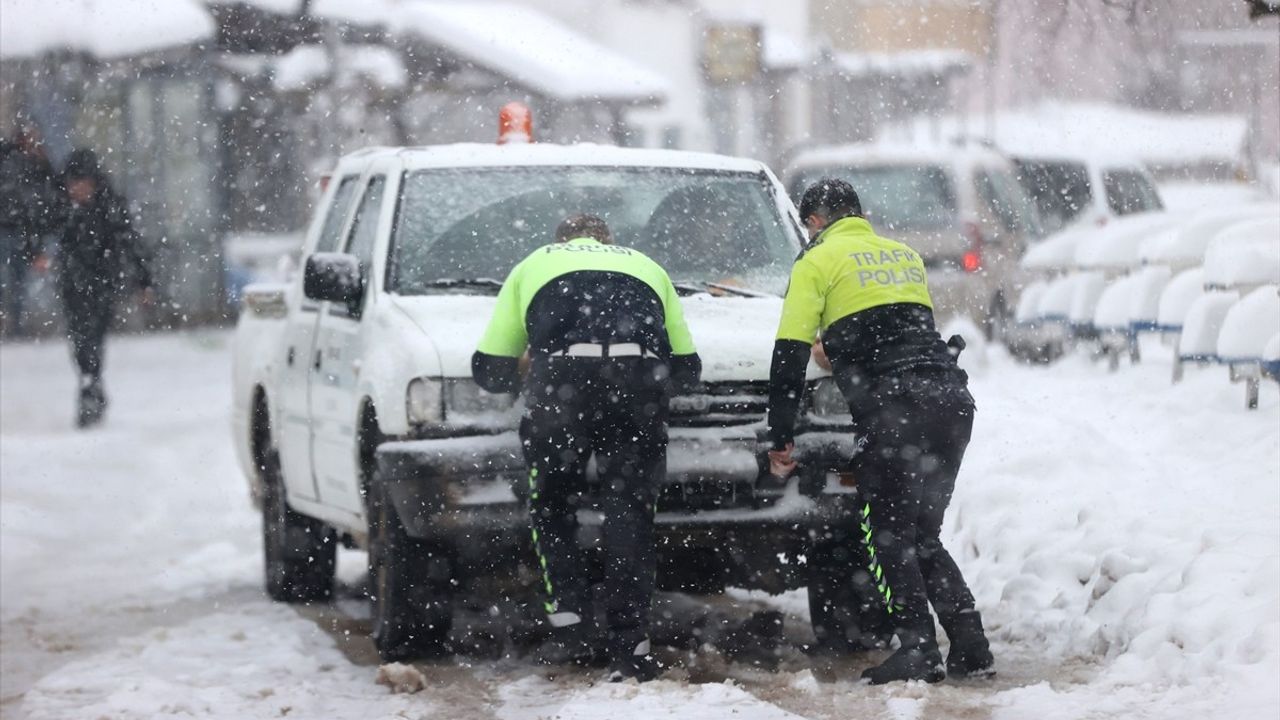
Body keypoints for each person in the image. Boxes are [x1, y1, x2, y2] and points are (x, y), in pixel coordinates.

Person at [765, 179, 993, 684]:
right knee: (921, 534)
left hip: (896, 408)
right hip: (950, 401)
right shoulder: (901, 255)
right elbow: (896, 328)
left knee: (887, 533)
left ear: (816, 222)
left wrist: (779, 434)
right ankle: (971, 644)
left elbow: (788, 355)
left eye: (809, 227)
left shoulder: (816, 261)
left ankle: (917, 648)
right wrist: (844, 349)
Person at [471, 213, 700, 682]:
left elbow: (489, 370)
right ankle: (630, 640)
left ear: (561, 241)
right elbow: (688, 369)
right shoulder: (647, 266)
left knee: (553, 500)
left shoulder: (534, 264)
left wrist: (528, 364)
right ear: (609, 241)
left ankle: (569, 618)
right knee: (631, 510)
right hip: (638, 384)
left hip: (561, 388)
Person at [56, 148, 153, 428]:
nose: (78, 189)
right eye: (73, 184)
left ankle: (90, 388)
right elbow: (36, 226)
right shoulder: (62, 207)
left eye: (83, 183)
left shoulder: (110, 206)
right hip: (72, 284)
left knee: (93, 339)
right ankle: (91, 385)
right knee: (79, 341)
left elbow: (131, 241)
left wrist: (143, 281)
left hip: (102, 283)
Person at [0, 122, 61, 337]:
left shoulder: (37, 164)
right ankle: (14, 323)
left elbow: (49, 194)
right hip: (12, 227)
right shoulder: (11, 159)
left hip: (23, 229)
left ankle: (16, 323)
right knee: (13, 279)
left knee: (18, 280)